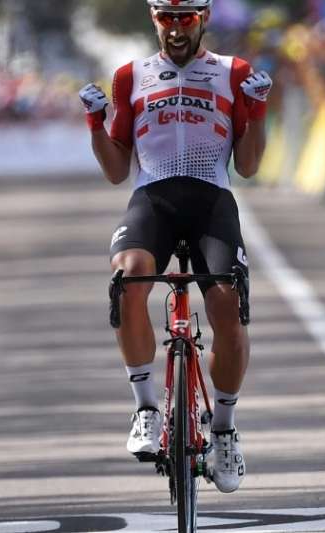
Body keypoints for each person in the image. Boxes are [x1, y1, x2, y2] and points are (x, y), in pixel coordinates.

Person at [78, 0, 271, 494]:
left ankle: (224, 430)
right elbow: (117, 171)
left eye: (186, 18)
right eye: (167, 18)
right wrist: (96, 125)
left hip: (211, 201)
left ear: (204, 19)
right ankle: (146, 407)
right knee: (127, 280)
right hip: (154, 199)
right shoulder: (131, 76)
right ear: (154, 19)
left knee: (227, 302)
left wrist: (259, 111)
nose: (176, 28)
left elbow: (248, 167)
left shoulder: (234, 72)